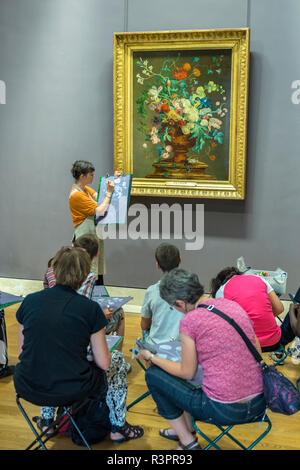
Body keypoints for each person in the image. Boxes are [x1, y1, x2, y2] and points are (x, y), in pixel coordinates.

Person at [14, 247, 143, 444]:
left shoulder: (30, 301)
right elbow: (104, 363)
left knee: (45, 358)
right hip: (72, 388)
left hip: (26, 384)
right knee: (116, 360)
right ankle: (118, 427)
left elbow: (23, 351)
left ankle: (47, 421)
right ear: (84, 276)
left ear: (54, 270)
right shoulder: (89, 309)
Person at [138, 268, 266, 451]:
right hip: (260, 403)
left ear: (181, 303)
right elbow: (257, 351)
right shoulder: (232, 305)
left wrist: (151, 357)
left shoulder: (191, 320)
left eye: (173, 306)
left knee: (154, 375)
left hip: (224, 409)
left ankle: (187, 441)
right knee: (191, 377)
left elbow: (187, 372)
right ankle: (186, 428)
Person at [210, 267, 298, 361]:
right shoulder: (259, 279)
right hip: (273, 342)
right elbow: (279, 309)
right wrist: (263, 317)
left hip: (244, 345)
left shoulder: (221, 291)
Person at [69, 160, 119, 285]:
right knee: (87, 270)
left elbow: (101, 197)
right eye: (91, 174)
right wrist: (109, 192)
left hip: (92, 234)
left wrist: (116, 180)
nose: (93, 176)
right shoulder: (77, 195)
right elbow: (101, 210)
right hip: (85, 237)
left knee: (96, 270)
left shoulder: (85, 190)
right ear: (82, 176)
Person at [140, 243, 184, 344]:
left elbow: (144, 325)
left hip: (156, 347)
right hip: (183, 347)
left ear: (157, 265)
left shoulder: (151, 291)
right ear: (180, 260)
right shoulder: (192, 289)